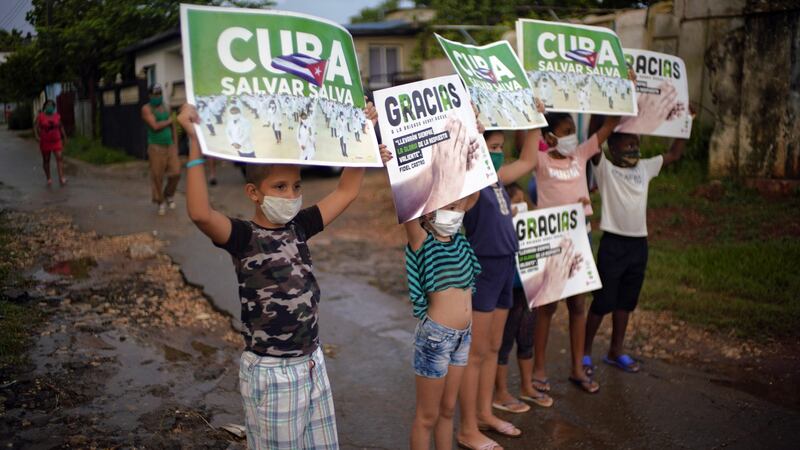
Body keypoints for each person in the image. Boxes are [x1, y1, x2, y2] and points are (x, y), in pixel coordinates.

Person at [176, 97, 377, 450]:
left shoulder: (300, 225)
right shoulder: (243, 237)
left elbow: (346, 191)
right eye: (280, 187)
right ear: (254, 193)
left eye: (296, 186)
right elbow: (200, 213)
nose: (292, 194)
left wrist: (364, 133)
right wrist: (194, 141)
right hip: (271, 373)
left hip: (312, 362)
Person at [458, 99, 544, 450]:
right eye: (491, 146)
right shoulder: (470, 181)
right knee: (476, 353)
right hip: (483, 268)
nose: (497, 153)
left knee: (493, 348)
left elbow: (528, 159)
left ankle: (484, 414)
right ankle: (467, 428)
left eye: (499, 148)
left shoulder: (497, 179)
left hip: (506, 265)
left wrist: (535, 118)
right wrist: (473, 133)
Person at [383, 142, 481, 449]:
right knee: (427, 416)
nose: (455, 211)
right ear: (426, 212)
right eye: (446, 205)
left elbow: (473, 190)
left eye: (456, 206)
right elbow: (406, 198)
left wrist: (472, 139)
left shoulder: (459, 240)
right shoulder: (421, 240)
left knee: (448, 410)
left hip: (463, 336)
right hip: (436, 337)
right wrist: (390, 163)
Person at [583, 121, 688, 375]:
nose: (634, 147)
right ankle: (584, 352)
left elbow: (674, 154)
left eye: (637, 143)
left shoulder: (645, 167)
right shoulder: (604, 169)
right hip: (613, 244)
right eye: (629, 143)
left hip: (638, 245)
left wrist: (686, 122)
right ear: (613, 147)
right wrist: (607, 117)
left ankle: (615, 351)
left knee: (626, 302)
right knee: (603, 301)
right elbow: (593, 141)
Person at [527, 111, 620, 396]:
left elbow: (610, 125)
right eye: (566, 130)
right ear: (550, 136)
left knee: (578, 305)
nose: (572, 136)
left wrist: (623, 87)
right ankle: (538, 369)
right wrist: (534, 112)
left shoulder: (580, 156)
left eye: (573, 130)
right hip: (550, 241)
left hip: (580, 238)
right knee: (547, 307)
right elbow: (526, 140)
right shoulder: (539, 161)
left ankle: (577, 368)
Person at [492, 183, 554, 413]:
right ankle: (500, 392)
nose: (519, 206)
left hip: (530, 290)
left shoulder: (533, 222)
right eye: (513, 202)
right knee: (504, 342)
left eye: (521, 201)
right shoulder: (499, 228)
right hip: (508, 290)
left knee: (527, 338)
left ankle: (527, 387)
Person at [141, 84, 180, 216]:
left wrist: (175, 144)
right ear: (150, 95)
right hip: (156, 148)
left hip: (169, 146)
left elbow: (173, 127)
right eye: (155, 95)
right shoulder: (146, 109)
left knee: (176, 172)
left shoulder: (166, 107)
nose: (157, 97)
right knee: (157, 176)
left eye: (159, 94)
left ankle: (168, 195)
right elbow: (155, 126)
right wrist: (169, 121)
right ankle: (160, 201)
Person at [34, 99, 67, 186]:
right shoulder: (41, 116)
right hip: (45, 141)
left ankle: (61, 177)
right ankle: (48, 178)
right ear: (45, 107)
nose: (50, 107)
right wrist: (37, 136)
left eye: (51, 106)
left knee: (59, 157)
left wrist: (64, 137)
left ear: (54, 107)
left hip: (56, 140)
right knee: (46, 159)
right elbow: (36, 127)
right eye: (48, 105)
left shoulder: (57, 116)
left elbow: (61, 126)